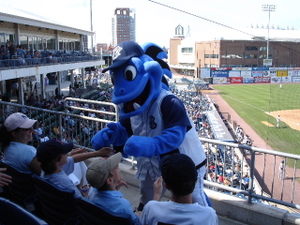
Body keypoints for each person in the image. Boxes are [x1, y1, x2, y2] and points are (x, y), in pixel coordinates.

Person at [141, 153, 218, 225]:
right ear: (195, 182)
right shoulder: (208, 215)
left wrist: (156, 196)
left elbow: (150, 215)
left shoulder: (151, 209)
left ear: (166, 185)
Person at [36, 139, 114, 198]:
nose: (68, 154)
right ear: (57, 161)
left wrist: (97, 153)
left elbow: (73, 159)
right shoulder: (66, 186)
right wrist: (85, 194)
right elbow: (82, 205)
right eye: (65, 153)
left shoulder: (47, 169)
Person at [86, 152, 141, 225]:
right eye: (116, 167)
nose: (119, 169)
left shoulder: (91, 192)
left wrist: (114, 188)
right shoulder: (123, 205)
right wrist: (153, 201)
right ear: (109, 180)